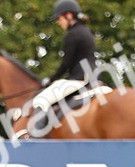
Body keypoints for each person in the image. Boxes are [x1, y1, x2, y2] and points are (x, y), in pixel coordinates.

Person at [26, 0, 97, 138]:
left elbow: (66, 64)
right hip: (94, 77)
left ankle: (35, 142)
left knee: (41, 99)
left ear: (68, 16)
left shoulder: (73, 34)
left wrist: (50, 80)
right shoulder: (86, 31)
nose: (59, 23)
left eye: (59, 18)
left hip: (80, 79)